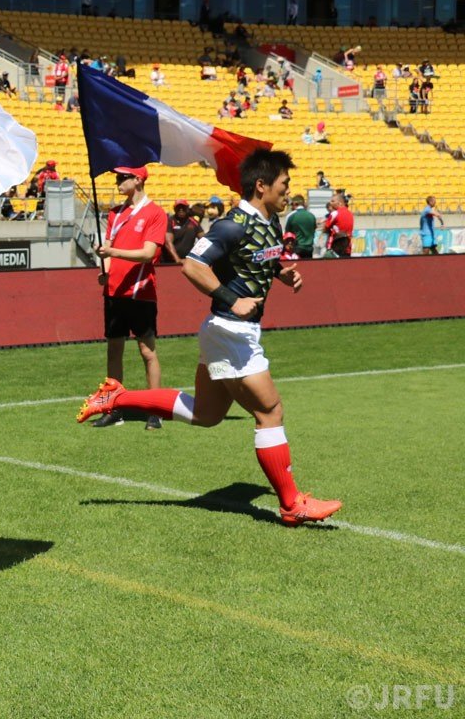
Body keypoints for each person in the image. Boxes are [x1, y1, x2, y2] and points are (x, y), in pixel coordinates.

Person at [78, 149, 342, 527]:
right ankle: (291, 504)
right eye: (284, 184)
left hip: (225, 332)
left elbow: (256, 259)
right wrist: (232, 300)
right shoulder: (232, 224)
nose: (289, 190)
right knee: (270, 412)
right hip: (231, 331)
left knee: (206, 413)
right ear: (262, 186)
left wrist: (280, 273)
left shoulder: (269, 219)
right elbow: (192, 265)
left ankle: (116, 396)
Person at [90, 166, 169, 430]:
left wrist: (112, 250)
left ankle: (155, 410)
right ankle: (115, 408)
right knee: (114, 350)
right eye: (118, 176)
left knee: (147, 351)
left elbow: (148, 253)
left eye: (123, 177)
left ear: (138, 180)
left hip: (141, 292)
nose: (118, 181)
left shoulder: (155, 213)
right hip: (114, 292)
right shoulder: (115, 213)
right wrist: (106, 269)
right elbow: (110, 253)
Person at [283, 194, 316, 259]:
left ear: (295, 203)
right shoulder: (312, 216)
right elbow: (314, 229)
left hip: (297, 248)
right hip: (309, 248)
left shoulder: (291, 216)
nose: (291, 207)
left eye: (292, 204)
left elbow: (287, 234)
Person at [322, 193, 354, 257]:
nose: (330, 203)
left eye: (333, 201)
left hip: (335, 248)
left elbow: (325, 229)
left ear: (339, 203)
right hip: (347, 248)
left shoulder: (335, 213)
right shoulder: (350, 214)